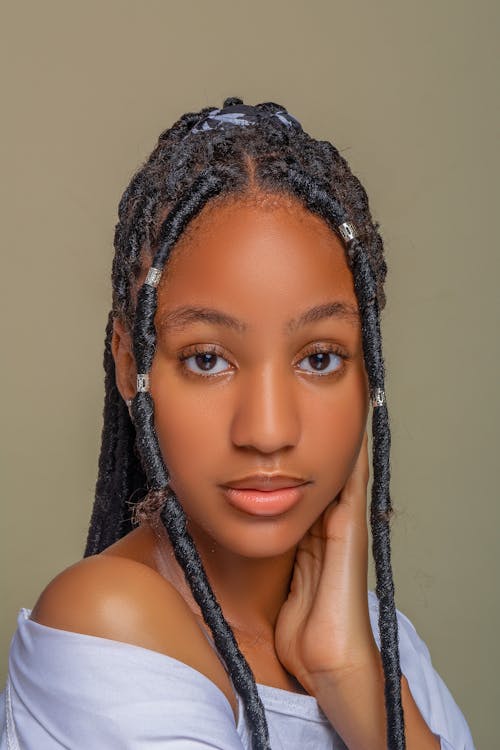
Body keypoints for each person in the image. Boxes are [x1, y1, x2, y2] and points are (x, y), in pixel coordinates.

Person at [0, 98, 475, 750]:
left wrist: (351, 673)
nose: (269, 429)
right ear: (129, 360)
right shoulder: (109, 620)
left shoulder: (382, 643)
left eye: (319, 358)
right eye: (207, 359)